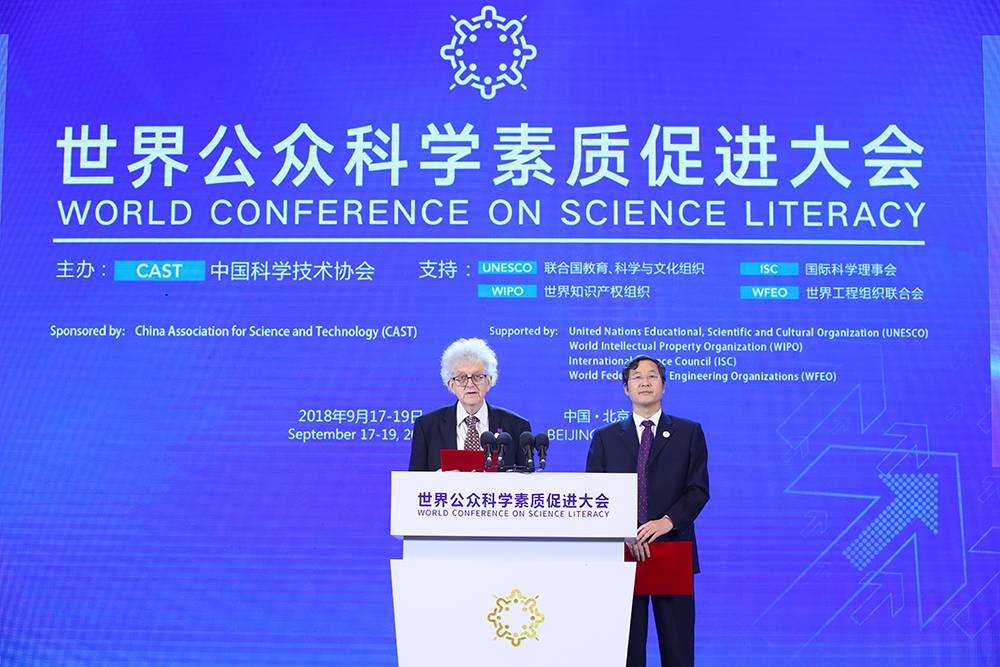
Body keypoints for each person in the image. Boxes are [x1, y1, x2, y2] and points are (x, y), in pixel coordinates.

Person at [586, 355, 709, 667]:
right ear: (626, 388)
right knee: (626, 652)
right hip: (623, 553)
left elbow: (698, 490)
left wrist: (667, 521)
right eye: (637, 377)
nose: (644, 382)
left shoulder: (688, 432)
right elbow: (596, 494)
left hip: (673, 549)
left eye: (652, 376)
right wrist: (623, 531)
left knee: (678, 651)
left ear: (663, 386)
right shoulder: (605, 438)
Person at [409, 338, 531, 471]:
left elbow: (527, 480)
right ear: (451, 385)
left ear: (488, 382)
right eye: (462, 378)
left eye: (477, 376)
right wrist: (435, 480)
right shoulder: (427, 426)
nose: (470, 384)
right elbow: (413, 480)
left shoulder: (517, 427)